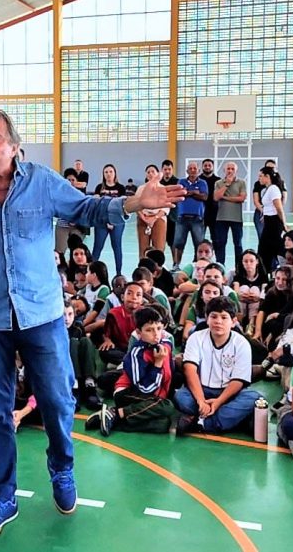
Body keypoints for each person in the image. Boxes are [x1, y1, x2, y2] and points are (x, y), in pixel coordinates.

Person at [0, 109, 183, 541]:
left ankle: (62, 470)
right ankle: (2, 496)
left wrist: (135, 202)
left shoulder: (41, 181)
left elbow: (87, 208)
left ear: (14, 145)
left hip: (40, 314)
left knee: (59, 401)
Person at [174, 296, 259, 434]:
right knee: (181, 397)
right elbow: (190, 370)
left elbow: (238, 381)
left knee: (253, 398)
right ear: (207, 319)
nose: (218, 321)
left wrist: (218, 401)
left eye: (224, 317)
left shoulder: (242, 343)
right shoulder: (196, 338)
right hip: (200, 391)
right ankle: (231, 420)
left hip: (229, 393)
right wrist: (201, 401)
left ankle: (201, 423)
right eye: (214, 316)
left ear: (233, 322)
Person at [88, 306, 176, 436]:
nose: (156, 334)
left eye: (159, 328)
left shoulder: (166, 344)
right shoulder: (136, 353)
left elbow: (169, 371)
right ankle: (116, 413)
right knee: (167, 406)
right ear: (139, 333)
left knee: (162, 425)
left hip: (151, 395)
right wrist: (157, 364)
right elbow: (144, 388)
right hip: (127, 393)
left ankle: (110, 417)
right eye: (149, 330)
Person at [91, 164, 127, 277]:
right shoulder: (99, 188)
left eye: (111, 171)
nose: (108, 174)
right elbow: (95, 205)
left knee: (117, 246)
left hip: (117, 222)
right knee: (97, 246)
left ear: (115, 173)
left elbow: (123, 206)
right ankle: (91, 271)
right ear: (103, 174)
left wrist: (112, 221)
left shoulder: (121, 188)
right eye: (106, 172)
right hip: (101, 221)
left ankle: (118, 273)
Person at [171, 162, 208, 269]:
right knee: (178, 242)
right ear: (187, 171)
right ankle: (176, 264)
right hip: (181, 218)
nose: (192, 170)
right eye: (190, 168)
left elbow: (204, 197)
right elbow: (179, 194)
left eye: (195, 168)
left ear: (198, 171)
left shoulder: (203, 183)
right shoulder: (181, 181)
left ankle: (198, 265)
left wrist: (188, 192)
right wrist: (195, 192)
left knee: (198, 243)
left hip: (197, 218)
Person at [212, 161, 246, 269]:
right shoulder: (218, 183)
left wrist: (225, 198)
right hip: (221, 218)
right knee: (221, 243)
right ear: (224, 170)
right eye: (228, 169)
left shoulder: (241, 182)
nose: (230, 171)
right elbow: (216, 197)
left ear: (236, 171)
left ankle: (239, 267)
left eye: (232, 169)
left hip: (237, 218)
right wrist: (227, 184)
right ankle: (220, 266)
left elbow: (242, 198)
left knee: (238, 244)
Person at [256, 167, 287, 272]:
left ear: (267, 177)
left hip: (274, 223)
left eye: (261, 176)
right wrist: (264, 215)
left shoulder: (273, 189)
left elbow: (279, 208)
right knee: (265, 250)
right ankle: (266, 271)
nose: (259, 178)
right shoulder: (267, 189)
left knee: (268, 249)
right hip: (269, 222)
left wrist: (284, 224)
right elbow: (268, 206)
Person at [136, 164, 168, 256]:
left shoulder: (163, 188)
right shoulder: (141, 189)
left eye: (153, 171)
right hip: (143, 219)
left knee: (158, 248)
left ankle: (157, 268)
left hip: (158, 219)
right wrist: (144, 218)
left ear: (157, 174)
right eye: (148, 172)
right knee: (143, 248)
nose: (150, 174)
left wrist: (154, 218)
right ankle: (143, 268)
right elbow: (137, 205)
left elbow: (165, 208)